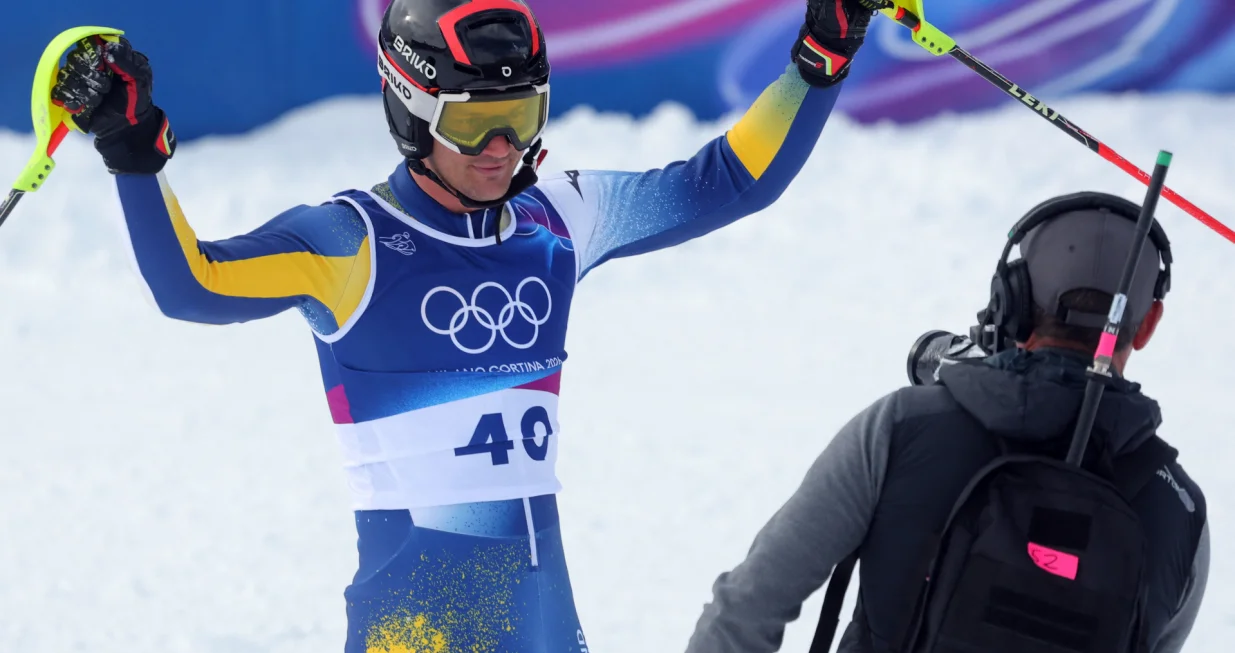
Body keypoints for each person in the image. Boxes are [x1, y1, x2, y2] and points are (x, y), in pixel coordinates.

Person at [49, 0, 883, 650]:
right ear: (411, 111)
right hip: (415, 635)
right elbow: (191, 285)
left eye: (521, 118)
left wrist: (817, 64)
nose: (498, 147)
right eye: (470, 121)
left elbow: (724, 181)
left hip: (547, 629)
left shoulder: (555, 220)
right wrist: (132, 153)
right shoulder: (351, 244)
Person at [683, 192, 1210, 653]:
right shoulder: (1181, 512)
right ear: (1147, 326)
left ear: (1013, 302)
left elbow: (747, 609)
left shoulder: (902, 428)